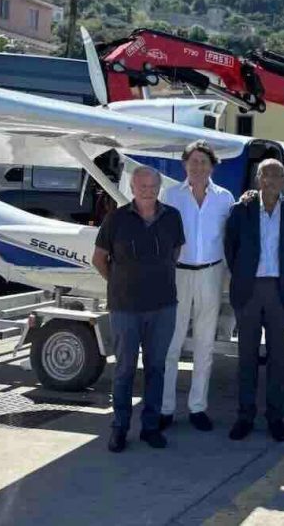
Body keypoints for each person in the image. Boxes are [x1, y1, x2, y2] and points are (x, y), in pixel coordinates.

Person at [92, 166, 185, 453]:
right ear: (132, 188)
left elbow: (175, 253)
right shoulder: (116, 219)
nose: (147, 191)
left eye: (152, 186)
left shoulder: (172, 217)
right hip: (125, 309)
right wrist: (119, 282)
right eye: (142, 186)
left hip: (163, 307)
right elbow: (99, 259)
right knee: (124, 370)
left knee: (157, 368)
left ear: (159, 188)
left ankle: (150, 427)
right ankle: (119, 428)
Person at [224, 159, 284, 442]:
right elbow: (230, 248)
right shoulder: (241, 209)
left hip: (279, 291)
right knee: (246, 357)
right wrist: (244, 274)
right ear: (258, 179)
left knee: (278, 358)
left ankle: (275, 417)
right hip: (249, 290)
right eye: (266, 174)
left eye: (277, 174)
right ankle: (245, 416)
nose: (271, 179)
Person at [160, 140, 236, 432]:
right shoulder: (171, 196)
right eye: (193, 161)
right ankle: (166, 408)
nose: (198, 166)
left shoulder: (225, 198)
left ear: (212, 166)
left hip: (211, 274)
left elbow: (230, 237)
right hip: (178, 274)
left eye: (204, 162)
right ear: (185, 164)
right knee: (172, 343)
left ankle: (198, 407)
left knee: (205, 344)